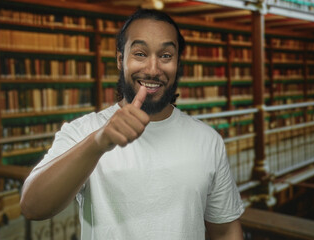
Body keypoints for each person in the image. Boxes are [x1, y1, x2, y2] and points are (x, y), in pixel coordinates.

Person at [20, 8, 244, 240]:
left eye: (166, 56)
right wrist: (98, 142)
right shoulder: (84, 131)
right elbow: (33, 207)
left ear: (178, 63)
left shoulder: (208, 140)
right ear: (120, 60)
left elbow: (225, 230)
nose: (153, 69)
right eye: (140, 53)